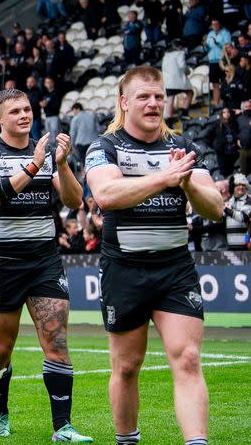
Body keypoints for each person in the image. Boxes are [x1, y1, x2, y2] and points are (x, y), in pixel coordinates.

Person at [85, 66, 223, 445]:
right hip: (124, 270)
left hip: (174, 269)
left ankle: (197, 442)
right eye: (144, 96)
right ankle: (127, 439)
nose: (153, 103)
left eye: (159, 96)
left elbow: (215, 207)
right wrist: (164, 178)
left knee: (188, 358)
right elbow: (107, 196)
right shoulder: (105, 146)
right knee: (127, 367)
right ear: (124, 102)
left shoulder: (184, 149)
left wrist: (188, 184)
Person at [0, 89, 92, 442]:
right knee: (1, 350)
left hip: (44, 263)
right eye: (16, 111)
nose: (25, 115)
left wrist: (63, 164)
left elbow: (74, 200)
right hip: (4, 265)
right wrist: (35, 164)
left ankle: (62, 427)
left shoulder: (47, 152)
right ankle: (0, 413)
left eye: (28, 109)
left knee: (57, 342)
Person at [223, 173, 251, 250]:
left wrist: (224, 208)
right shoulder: (228, 202)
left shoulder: (249, 201)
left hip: (245, 246)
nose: (241, 187)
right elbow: (219, 218)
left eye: (243, 185)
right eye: (238, 184)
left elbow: (242, 217)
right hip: (230, 246)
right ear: (233, 187)